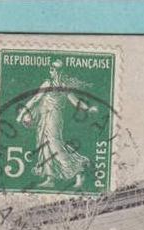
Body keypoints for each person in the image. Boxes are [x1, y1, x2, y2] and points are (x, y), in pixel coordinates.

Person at [15, 60, 99, 190]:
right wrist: (22, 114)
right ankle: (50, 178)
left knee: (55, 144)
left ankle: (79, 171)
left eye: (54, 69)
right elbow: (35, 99)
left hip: (54, 118)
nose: (52, 71)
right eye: (51, 69)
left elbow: (75, 101)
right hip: (45, 117)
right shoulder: (47, 83)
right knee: (45, 145)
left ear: (59, 72)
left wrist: (87, 109)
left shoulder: (63, 86)